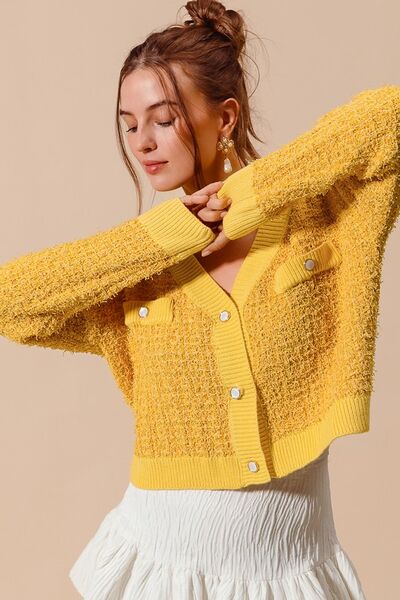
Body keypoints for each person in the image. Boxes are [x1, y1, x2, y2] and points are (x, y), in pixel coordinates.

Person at [3, 1, 399, 597]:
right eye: (128, 124)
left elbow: (391, 116)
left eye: (163, 119)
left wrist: (251, 193)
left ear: (226, 116)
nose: (142, 142)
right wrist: (163, 236)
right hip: (162, 570)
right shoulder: (135, 274)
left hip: (294, 570)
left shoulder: (317, 222)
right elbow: (11, 301)